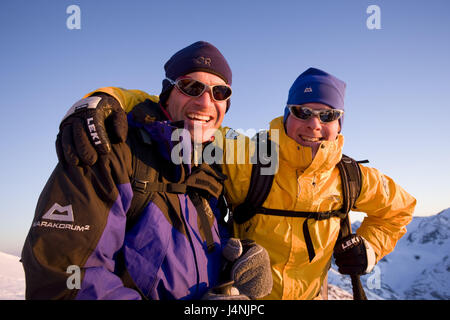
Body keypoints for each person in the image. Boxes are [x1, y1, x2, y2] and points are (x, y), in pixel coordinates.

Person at [51, 64, 416, 298]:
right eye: (302, 112)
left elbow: (400, 210)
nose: (313, 125)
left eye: (328, 114)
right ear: (286, 114)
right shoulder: (251, 155)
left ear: (341, 121)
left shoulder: (353, 178)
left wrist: (369, 249)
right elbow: (189, 116)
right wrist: (108, 98)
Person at [21, 41, 272, 300]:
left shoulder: (207, 169)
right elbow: (64, 278)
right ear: (167, 93)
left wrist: (235, 267)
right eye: (191, 87)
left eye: (219, 92)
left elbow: (181, 261)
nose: (205, 102)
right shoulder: (110, 150)